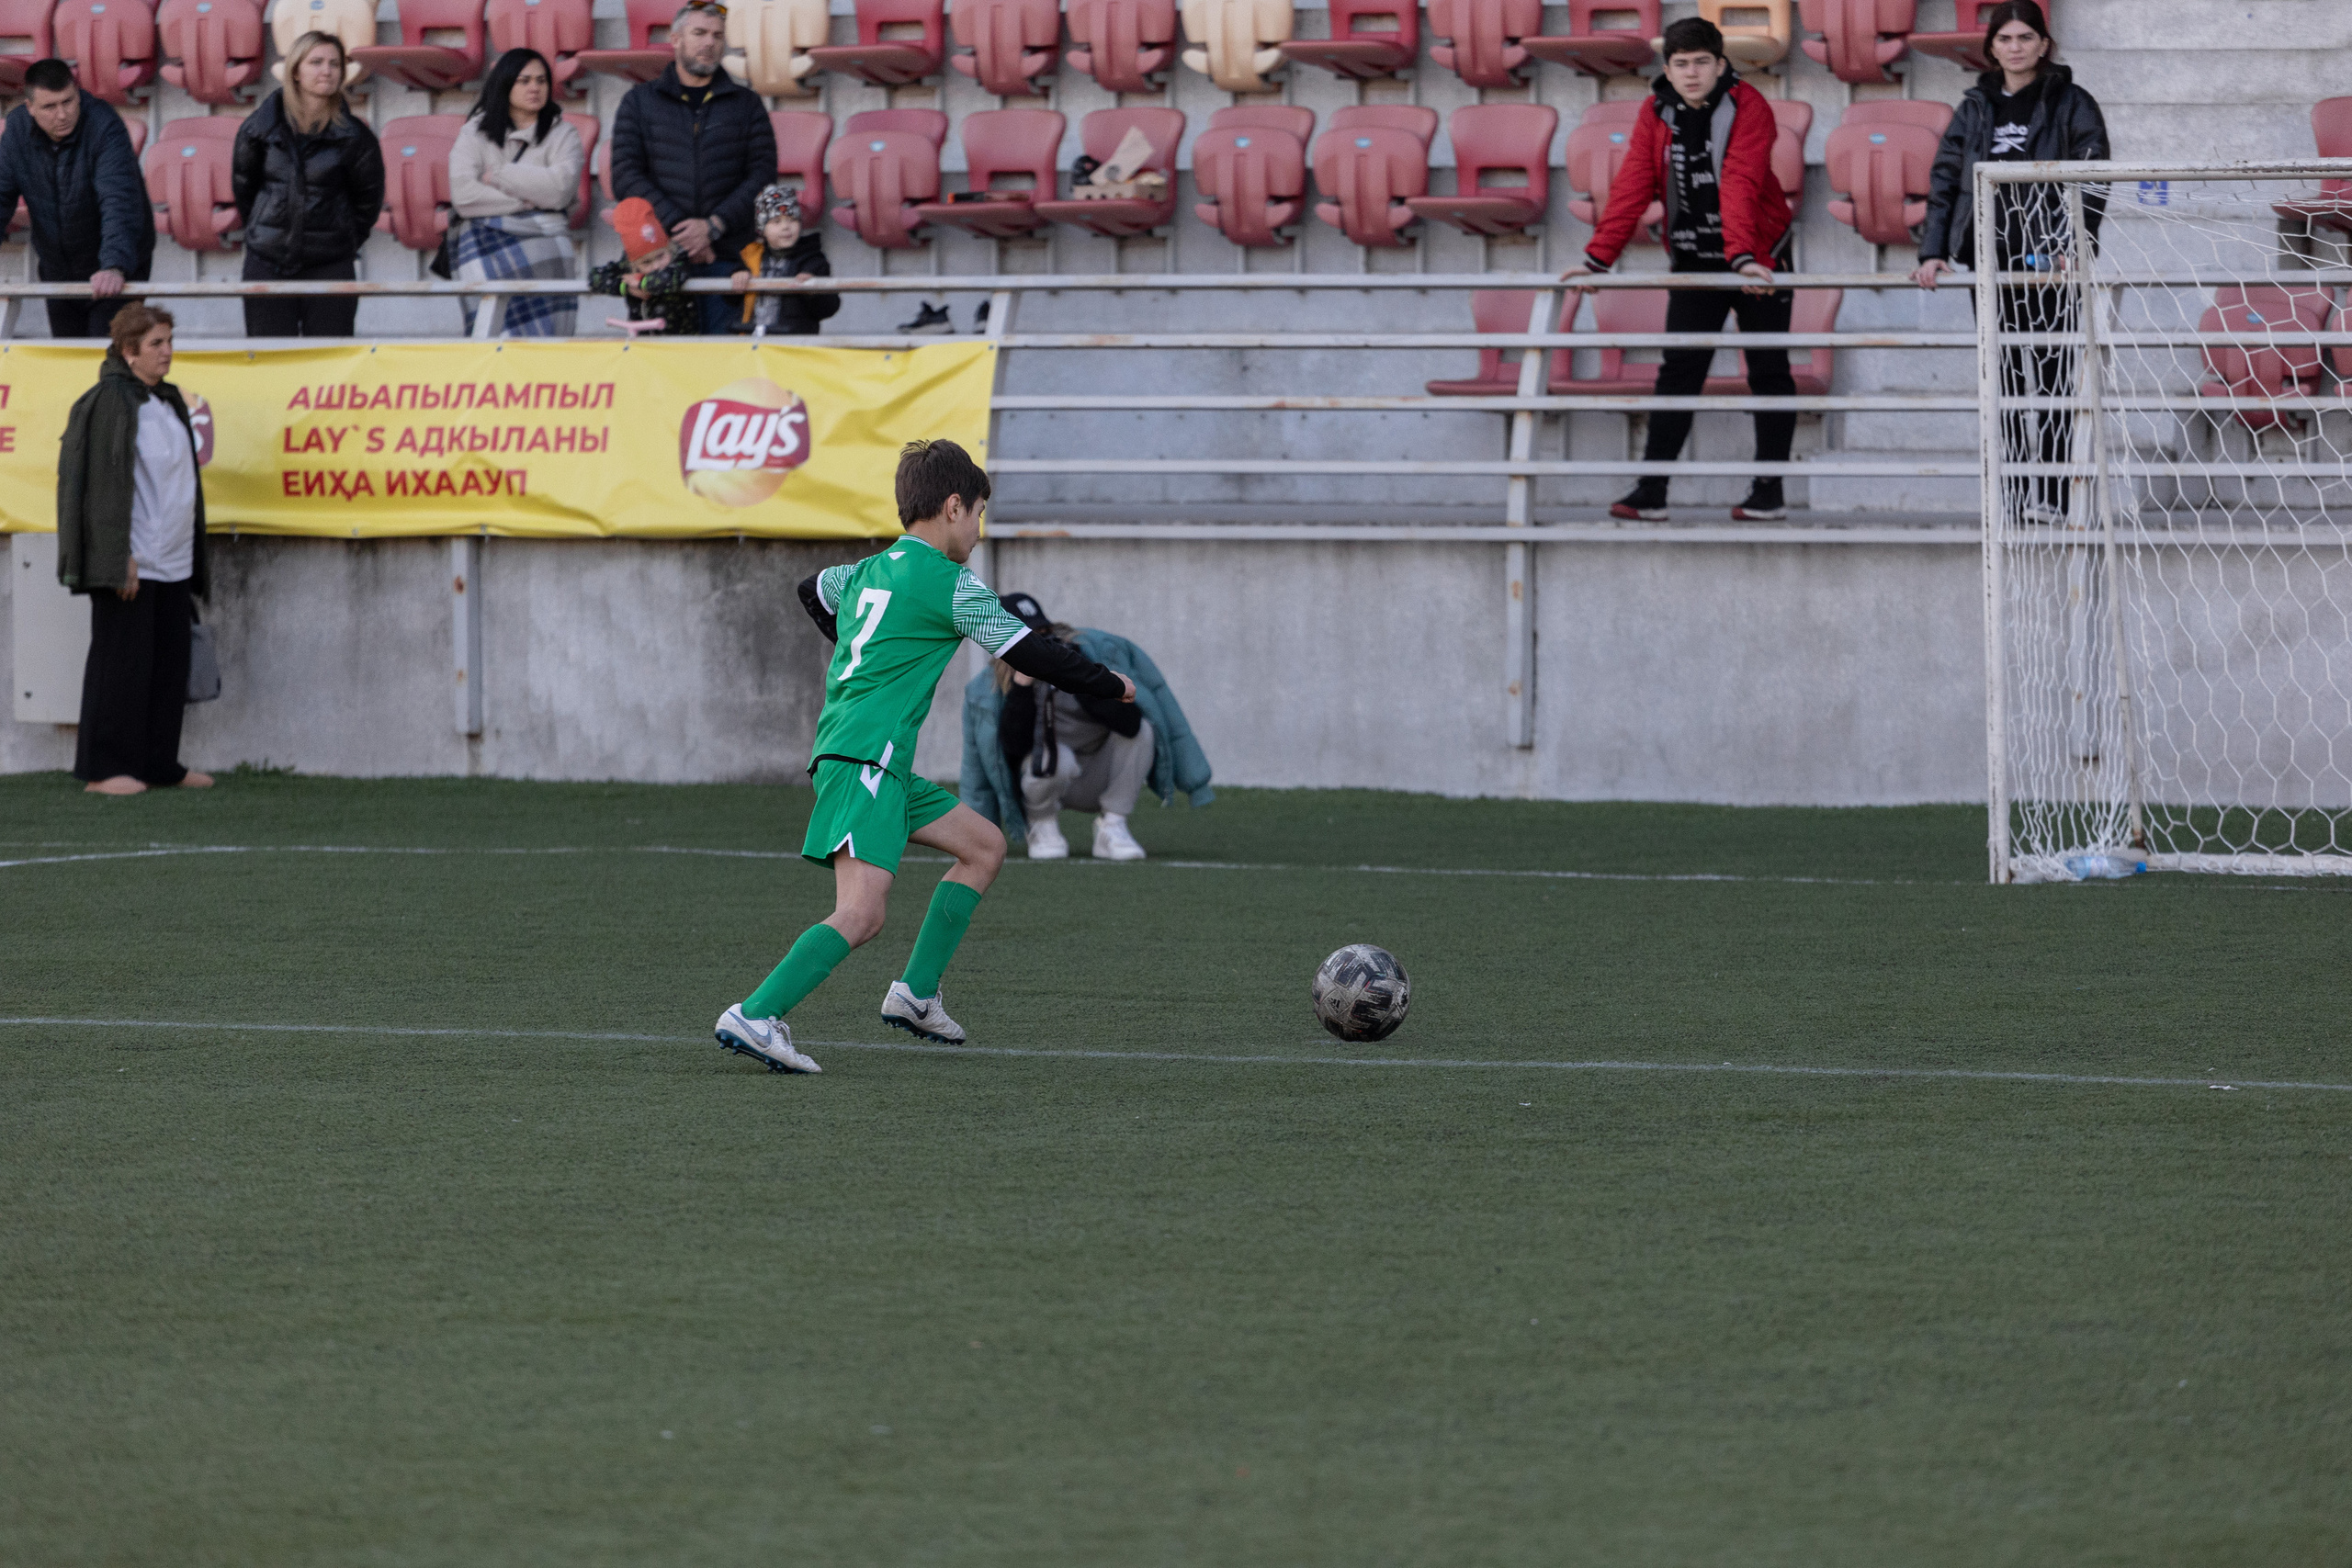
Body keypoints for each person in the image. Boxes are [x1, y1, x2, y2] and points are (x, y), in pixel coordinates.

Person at [712, 440, 1136, 1074]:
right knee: (862, 911)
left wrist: (863, 641)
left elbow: (812, 590)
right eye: (979, 513)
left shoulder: (866, 571)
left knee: (984, 846)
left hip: (872, 759)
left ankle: (914, 994)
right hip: (867, 759)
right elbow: (1031, 654)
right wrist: (1107, 681)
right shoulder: (952, 584)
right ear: (953, 504)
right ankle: (758, 1012)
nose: (979, 529)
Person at [1561, 17, 1797, 524]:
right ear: (1667, 67)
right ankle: (1652, 492)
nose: (1691, 74)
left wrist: (1741, 258)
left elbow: (1740, 180)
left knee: (1769, 371)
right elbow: (1633, 184)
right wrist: (1597, 258)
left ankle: (1769, 491)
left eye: (1701, 63)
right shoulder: (1656, 110)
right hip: (1693, 257)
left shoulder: (1750, 107)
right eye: (1681, 64)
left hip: (1759, 256)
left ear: (1721, 64)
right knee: (1678, 373)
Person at [1913, 0, 2109, 526]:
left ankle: (2053, 494)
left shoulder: (2072, 101)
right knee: (1999, 378)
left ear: (2044, 44)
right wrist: (1933, 250)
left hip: (2049, 262)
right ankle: (2018, 494)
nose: (2016, 47)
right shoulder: (1975, 106)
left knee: (2050, 374)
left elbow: (2092, 179)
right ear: (1991, 48)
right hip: (1989, 260)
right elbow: (1944, 179)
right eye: (2006, 39)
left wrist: (2075, 244)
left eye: (2026, 37)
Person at [55, 305, 213, 795]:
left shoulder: (165, 401)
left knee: (167, 666)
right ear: (129, 352)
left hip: (173, 559)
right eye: (156, 345)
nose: (167, 352)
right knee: (119, 665)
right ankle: (104, 770)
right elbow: (100, 488)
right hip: (134, 559)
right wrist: (116, 555)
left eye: (169, 341)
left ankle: (158, 762)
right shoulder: (109, 403)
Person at [960, 592, 1216, 863]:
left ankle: (1113, 827)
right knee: (1053, 756)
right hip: (1044, 778)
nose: (1040, 640)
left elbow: (1129, 725)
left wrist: (1082, 677)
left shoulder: (1084, 653)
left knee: (1143, 731)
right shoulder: (985, 689)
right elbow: (1010, 751)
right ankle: (1042, 825)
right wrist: (1023, 686)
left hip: (1098, 773)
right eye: (1029, 637)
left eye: (1044, 631)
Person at [607, 1, 776, 335]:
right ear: (675, 39)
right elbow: (625, 174)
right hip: (660, 262)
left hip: (727, 260)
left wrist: (714, 226)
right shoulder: (639, 102)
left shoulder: (747, 104)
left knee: (724, 368)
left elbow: (763, 175)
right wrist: (680, 229)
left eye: (717, 35)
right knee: (664, 372)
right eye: (699, 33)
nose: (709, 42)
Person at [231, 31, 385, 339]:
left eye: (334, 64)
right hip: (266, 260)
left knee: (328, 369)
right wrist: (268, 230)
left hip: (331, 264)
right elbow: (244, 188)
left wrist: (341, 239)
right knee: (270, 365)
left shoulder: (356, 136)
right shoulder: (258, 128)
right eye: (316, 62)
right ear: (296, 72)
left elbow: (368, 201)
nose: (327, 71)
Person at [0, 59, 152, 341]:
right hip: (59, 271)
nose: (62, 114)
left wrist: (114, 265)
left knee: (105, 366)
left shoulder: (105, 126)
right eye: (49, 107)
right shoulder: (17, 131)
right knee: (68, 360)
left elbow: (118, 199)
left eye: (69, 101)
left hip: (117, 268)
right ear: (30, 108)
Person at [448, 48, 585, 338]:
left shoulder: (564, 134)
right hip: (488, 246)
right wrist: (528, 201)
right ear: (505, 84)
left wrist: (498, 175)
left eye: (541, 80)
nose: (534, 88)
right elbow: (463, 196)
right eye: (524, 81)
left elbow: (560, 191)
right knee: (494, 344)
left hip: (547, 248)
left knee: (546, 352)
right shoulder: (475, 132)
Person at [727, 185, 838, 335]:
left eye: (792, 219)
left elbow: (829, 308)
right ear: (762, 229)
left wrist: (814, 292)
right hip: (752, 343)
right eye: (776, 221)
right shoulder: (750, 257)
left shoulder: (813, 260)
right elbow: (730, 301)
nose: (786, 227)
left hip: (794, 348)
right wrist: (738, 276)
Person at [589, 197, 695, 335]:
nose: (656, 266)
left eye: (660, 256)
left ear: (668, 247)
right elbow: (595, 277)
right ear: (634, 264)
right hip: (641, 346)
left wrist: (642, 283)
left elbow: (669, 279)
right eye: (646, 262)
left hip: (683, 345)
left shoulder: (678, 261)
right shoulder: (627, 267)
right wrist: (626, 287)